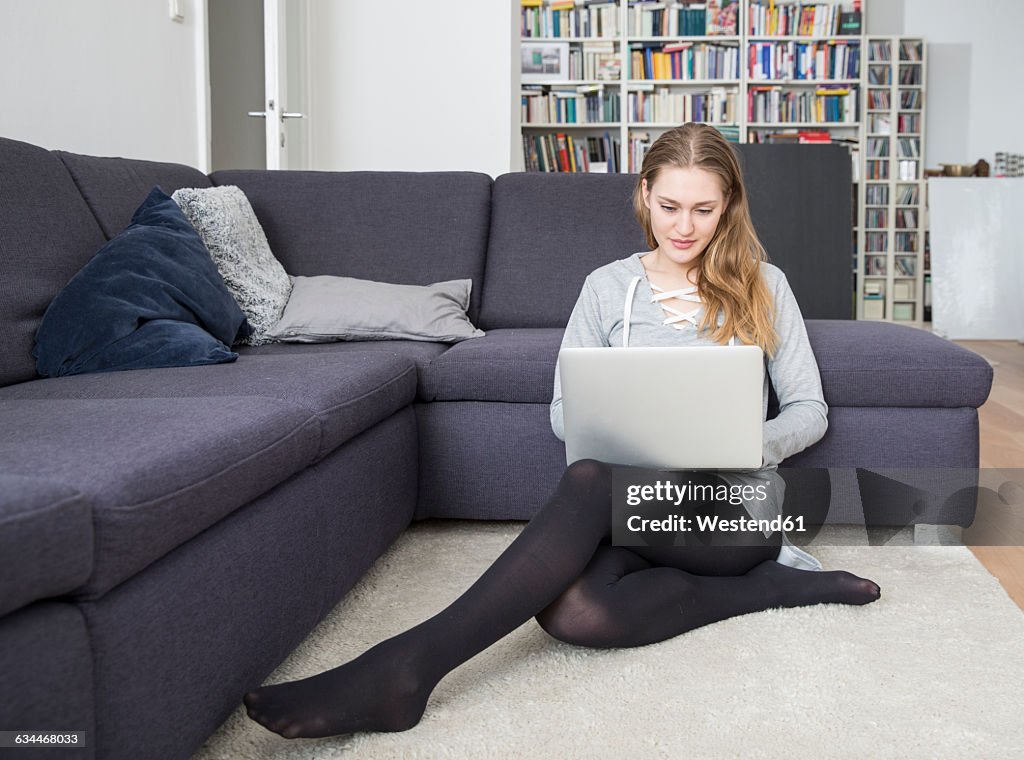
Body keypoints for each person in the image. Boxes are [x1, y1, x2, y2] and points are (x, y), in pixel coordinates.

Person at [243, 122, 881, 740]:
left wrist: (754, 443)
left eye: (703, 209)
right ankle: (764, 589)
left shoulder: (765, 286)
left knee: (587, 480)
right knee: (577, 612)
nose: (684, 227)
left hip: (733, 510)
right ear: (643, 196)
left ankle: (403, 670)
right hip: (634, 502)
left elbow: (808, 408)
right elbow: (562, 412)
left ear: (729, 207)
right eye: (669, 206)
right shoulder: (606, 288)